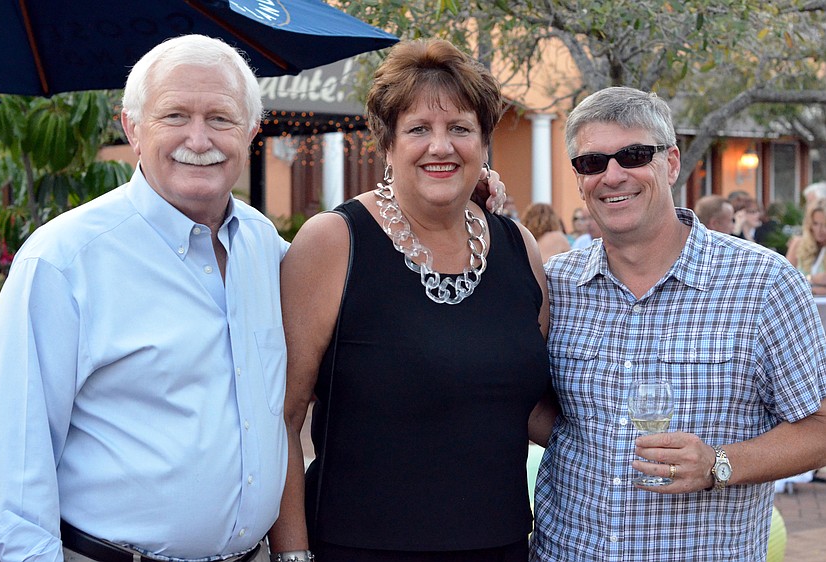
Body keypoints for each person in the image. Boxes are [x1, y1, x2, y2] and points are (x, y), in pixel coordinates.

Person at [0, 34, 288, 562]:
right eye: (174, 117)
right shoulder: (64, 261)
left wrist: (473, 208)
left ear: (251, 132)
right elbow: (10, 475)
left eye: (220, 118)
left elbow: (365, 290)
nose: (199, 138)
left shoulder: (267, 247)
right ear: (133, 129)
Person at [268, 38, 558, 562]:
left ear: (484, 142)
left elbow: (525, 405)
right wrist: (292, 555)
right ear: (388, 142)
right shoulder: (334, 242)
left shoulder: (521, 248)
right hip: (360, 547)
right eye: (419, 129)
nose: (440, 147)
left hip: (501, 544)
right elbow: (283, 418)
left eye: (460, 129)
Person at [531, 86, 826, 562]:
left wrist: (719, 464)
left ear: (670, 163)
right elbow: (539, 410)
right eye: (592, 162)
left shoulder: (764, 284)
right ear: (578, 178)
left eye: (633, 155)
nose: (613, 175)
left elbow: (820, 426)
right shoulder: (555, 286)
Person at [787, 199, 826, 295]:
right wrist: (812, 279)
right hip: (801, 304)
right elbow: (785, 280)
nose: (819, 230)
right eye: (815, 223)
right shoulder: (798, 244)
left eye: (825, 224)